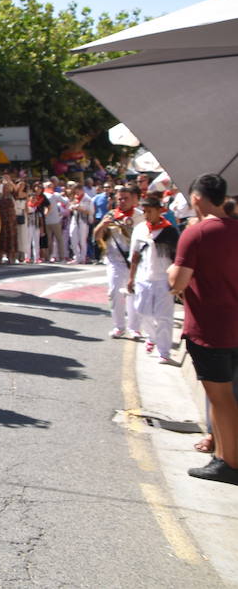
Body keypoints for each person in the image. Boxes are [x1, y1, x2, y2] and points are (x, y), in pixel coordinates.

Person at [168, 174, 238, 484]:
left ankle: (229, 462)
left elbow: (176, 283)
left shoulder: (197, 233)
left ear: (196, 198)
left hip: (211, 328)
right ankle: (222, 456)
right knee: (228, 396)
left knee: (220, 397)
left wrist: (172, 269)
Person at [128, 195, 179, 364]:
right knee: (142, 311)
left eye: (150, 211)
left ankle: (164, 351)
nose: (147, 215)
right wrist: (131, 278)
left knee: (164, 316)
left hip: (163, 279)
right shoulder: (140, 229)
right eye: (144, 211)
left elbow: (176, 258)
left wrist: (176, 281)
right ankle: (152, 336)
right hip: (143, 277)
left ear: (159, 210)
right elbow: (134, 255)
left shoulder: (170, 231)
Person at [95, 184, 141, 338]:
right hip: (115, 260)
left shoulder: (140, 215)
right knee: (115, 292)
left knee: (133, 294)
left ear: (133, 199)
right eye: (119, 199)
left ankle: (134, 328)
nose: (122, 201)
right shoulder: (110, 215)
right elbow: (96, 236)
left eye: (126, 198)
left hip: (135, 261)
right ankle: (119, 326)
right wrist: (103, 225)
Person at [41, 182, 69, 262]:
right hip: (48, 220)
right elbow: (65, 202)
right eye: (48, 186)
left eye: (51, 185)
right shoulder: (44, 195)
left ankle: (61, 257)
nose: (50, 187)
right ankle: (49, 257)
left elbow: (65, 202)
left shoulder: (55, 194)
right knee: (50, 240)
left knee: (58, 239)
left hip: (54, 220)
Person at [68, 187, 94, 264]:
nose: (77, 193)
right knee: (73, 237)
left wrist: (81, 208)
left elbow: (91, 211)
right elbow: (70, 207)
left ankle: (83, 257)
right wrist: (72, 207)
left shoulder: (88, 199)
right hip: (75, 219)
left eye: (78, 191)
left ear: (82, 190)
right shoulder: (74, 198)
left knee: (82, 240)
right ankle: (76, 257)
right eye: (76, 191)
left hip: (83, 221)